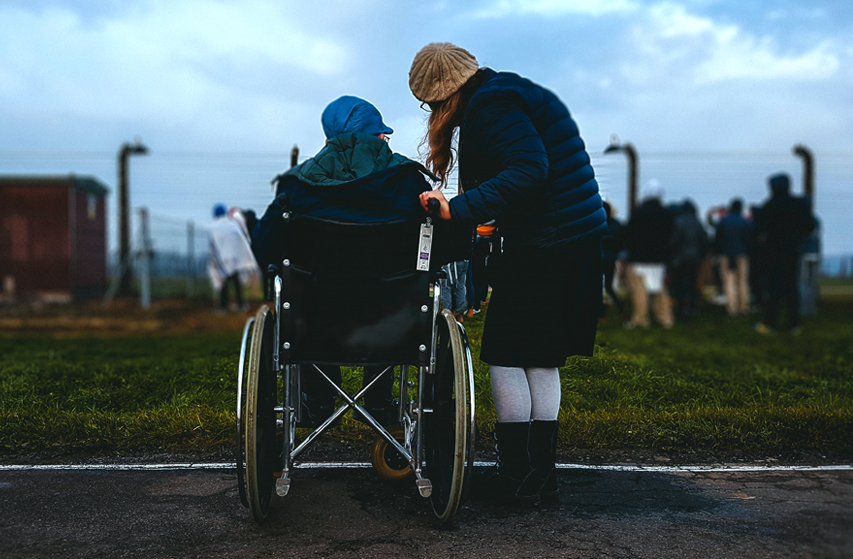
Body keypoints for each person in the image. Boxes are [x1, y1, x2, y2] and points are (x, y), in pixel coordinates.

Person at [409, 42, 606, 505]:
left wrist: (456, 209)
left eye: (432, 104)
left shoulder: (492, 106)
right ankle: (540, 475)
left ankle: (517, 472)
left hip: (547, 241)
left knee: (504, 353)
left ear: (446, 95)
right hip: (570, 237)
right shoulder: (508, 92)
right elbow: (532, 171)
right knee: (538, 356)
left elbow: (528, 170)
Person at [252, 95, 438, 427]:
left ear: (328, 139)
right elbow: (441, 246)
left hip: (313, 325)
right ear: (380, 137)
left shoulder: (296, 186)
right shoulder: (410, 183)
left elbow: (264, 247)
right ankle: (379, 403)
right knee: (390, 296)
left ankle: (320, 402)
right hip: (392, 324)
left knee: (308, 300)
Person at [753, 173, 815, 334]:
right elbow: (810, 225)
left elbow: (759, 228)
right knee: (792, 288)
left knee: (774, 288)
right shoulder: (799, 205)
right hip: (793, 250)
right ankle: (793, 324)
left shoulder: (769, 205)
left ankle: (770, 323)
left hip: (773, 251)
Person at [622, 189, 675, 328]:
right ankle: (665, 318)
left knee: (639, 290)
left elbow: (629, 233)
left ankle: (641, 319)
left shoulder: (638, 212)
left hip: (639, 258)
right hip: (658, 259)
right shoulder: (666, 213)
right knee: (659, 289)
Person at [208, 204, 257, 312]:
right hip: (235, 258)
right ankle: (241, 305)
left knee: (224, 284)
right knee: (236, 282)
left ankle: (222, 306)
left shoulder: (214, 227)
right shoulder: (232, 225)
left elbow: (213, 245)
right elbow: (242, 240)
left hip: (222, 258)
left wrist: (215, 260)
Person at [669, 199, 709, 321]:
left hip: (680, 259)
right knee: (692, 284)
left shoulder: (678, 221)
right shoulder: (698, 222)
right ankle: (692, 308)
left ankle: (680, 309)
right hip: (695, 258)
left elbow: (674, 241)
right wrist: (701, 255)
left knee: (680, 284)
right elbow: (704, 241)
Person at [714, 198, 753, 317]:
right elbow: (749, 240)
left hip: (726, 255)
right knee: (743, 282)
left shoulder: (723, 221)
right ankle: (744, 307)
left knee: (729, 283)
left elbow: (718, 239)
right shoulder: (745, 222)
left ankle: (732, 309)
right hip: (742, 254)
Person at [600, 201, 625, 321]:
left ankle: (602, 314)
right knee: (609, 286)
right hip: (611, 258)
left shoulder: (596, 223)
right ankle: (621, 310)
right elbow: (621, 241)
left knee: (597, 287)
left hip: (598, 258)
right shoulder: (616, 224)